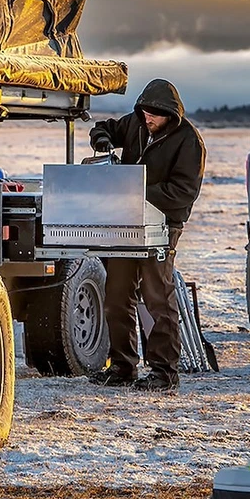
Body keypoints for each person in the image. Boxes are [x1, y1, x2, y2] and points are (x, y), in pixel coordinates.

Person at [87, 78, 206, 391]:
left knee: (157, 295)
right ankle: (122, 367)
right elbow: (106, 127)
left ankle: (164, 373)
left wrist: (136, 191)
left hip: (163, 227)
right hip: (126, 224)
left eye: (155, 115)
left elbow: (183, 192)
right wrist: (101, 138)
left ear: (170, 115)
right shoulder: (136, 123)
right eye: (144, 113)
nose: (148, 119)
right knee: (116, 294)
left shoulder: (189, 140)